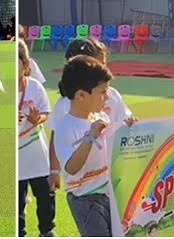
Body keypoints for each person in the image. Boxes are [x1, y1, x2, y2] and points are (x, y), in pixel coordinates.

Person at [52, 55, 116, 237]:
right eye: (102, 92)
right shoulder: (65, 127)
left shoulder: (101, 118)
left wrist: (129, 127)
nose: (107, 97)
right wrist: (90, 137)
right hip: (85, 200)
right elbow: (71, 168)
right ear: (81, 95)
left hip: (108, 193)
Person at [17, 39, 55, 238]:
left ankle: (46, 230)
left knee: (45, 194)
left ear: (25, 64)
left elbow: (46, 112)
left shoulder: (35, 87)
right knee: (17, 198)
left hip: (36, 152)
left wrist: (36, 119)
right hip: (16, 155)